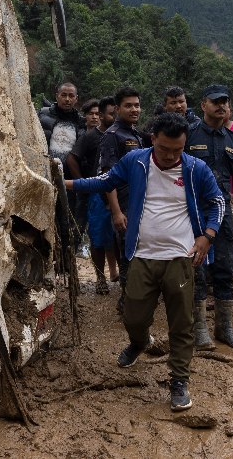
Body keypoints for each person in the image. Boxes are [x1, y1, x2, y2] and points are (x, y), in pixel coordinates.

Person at [65, 112, 224, 412]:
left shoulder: (195, 168)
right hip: (141, 255)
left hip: (181, 257)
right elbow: (105, 181)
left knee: (181, 323)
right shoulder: (136, 161)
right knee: (133, 316)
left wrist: (208, 235)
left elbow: (217, 202)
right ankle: (139, 342)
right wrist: (67, 184)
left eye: (178, 149)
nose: (170, 156)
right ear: (153, 140)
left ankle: (179, 379)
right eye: (164, 149)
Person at [184, 84, 233, 349]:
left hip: (223, 212)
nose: (221, 106)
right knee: (196, 267)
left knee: (224, 266)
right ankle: (199, 329)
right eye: (215, 101)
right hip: (193, 211)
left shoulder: (232, 139)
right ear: (203, 105)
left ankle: (224, 327)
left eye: (225, 102)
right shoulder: (188, 134)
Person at [99, 86, 148, 313]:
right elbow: (108, 177)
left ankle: (135, 299)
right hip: (124, 205)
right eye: (128, 105)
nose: (134, 109)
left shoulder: (135, 134)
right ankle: (128, 303)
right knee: (128, 254)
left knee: (140, 252)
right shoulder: (113, 136)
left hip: (140, 203)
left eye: (137, 105)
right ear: (118, 109)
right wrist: (116, 211)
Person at [68, 98, 120, 292]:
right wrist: (82, 183)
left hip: (121, 191)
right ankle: (100, 278)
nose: (113, 117)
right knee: (98, 237)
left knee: (119, 236)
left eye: (115, 113)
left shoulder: (124, 135)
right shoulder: (91, 136)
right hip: (97, 193)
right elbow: (72, 158)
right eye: (109, 114)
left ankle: (121, 275)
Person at [65, 98, 101, 260]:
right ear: (85, 116)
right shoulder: (80, 135)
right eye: (91, 114)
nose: (94, 117)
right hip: (79, 185)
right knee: (78, 220)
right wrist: (80, 182)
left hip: (99, 186)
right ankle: (71, 254)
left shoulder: (105, 135)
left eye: (97, 114)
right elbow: (71, 159)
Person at [38, 82, 85, 163]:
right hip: (44, 165)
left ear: (76, 99)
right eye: (63, 95)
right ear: (57, 96)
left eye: (71, 96)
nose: (67, 99)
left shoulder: (81, 122)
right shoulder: (42, 114)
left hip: (70, 171)